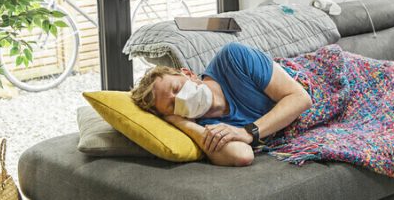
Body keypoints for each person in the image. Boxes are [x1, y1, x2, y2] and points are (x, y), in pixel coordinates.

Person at [130, 42, 312, 167]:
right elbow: (242, 156)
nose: (180, 98)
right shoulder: (206, 128)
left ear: (188, 74)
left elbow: (300, 98)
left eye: (177, 88)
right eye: (172, 105)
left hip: (309, 79)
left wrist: (248, 132)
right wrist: (183, 124)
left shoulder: (233, 57)